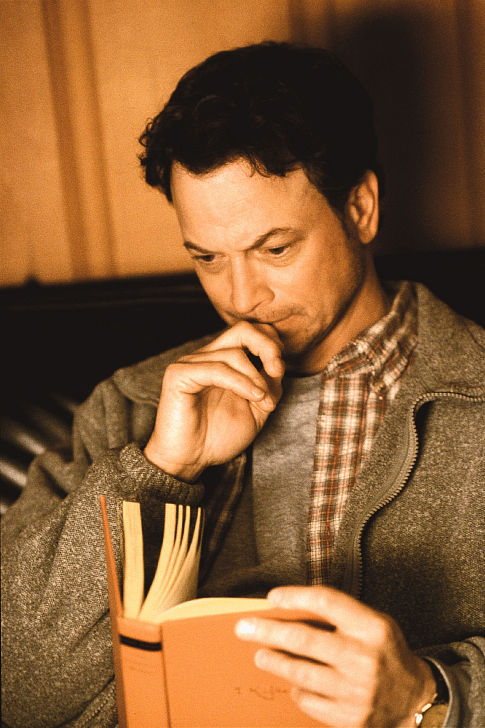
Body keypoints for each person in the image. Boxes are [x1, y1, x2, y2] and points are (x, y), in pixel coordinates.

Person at [1, 41, 484, 728]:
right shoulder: (128, 406)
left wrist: (430, 695)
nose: (240, 297)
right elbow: (18, 687)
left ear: (361, 208)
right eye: (206, 258)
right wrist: (160, 469)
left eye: (275, 249)